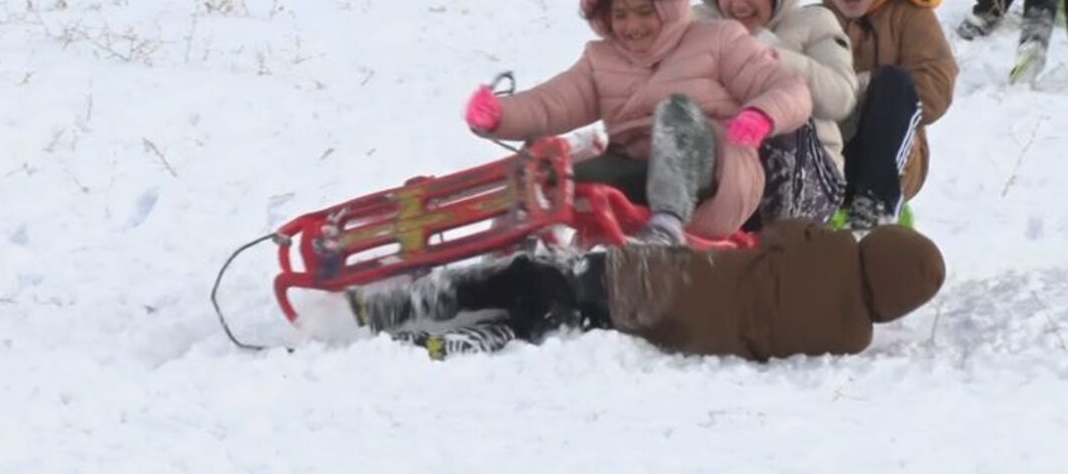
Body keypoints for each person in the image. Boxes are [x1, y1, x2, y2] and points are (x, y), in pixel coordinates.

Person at [463, 0, 812, 244]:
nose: (632, 26)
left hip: (707, 169)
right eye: (621, 14)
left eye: (644, 12)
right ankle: (511, 259)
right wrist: (497, 115)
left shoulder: (718, 39)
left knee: (676, 109)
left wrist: (761, 115)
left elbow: (789, 88)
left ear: (667, 6)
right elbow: (550, 104)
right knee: (545, 171)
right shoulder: (600, 59)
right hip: (635, 169)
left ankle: (666, 225)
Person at [346, 219, 947, 361]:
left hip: (644, 276)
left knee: (528, 275)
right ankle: (481, 340)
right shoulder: (850, 336)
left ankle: (402, 304)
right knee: (553, 319)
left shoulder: (832, 244)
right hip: (651, 323)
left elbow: (773, 236)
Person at [690, 0, 857, 227]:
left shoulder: (814, 21)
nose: (738, 4)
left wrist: (772, 55)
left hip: (808, 173)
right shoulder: (697, 26)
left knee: (779, 119)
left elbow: (841, 97)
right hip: (720, 170)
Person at [811, 0, 958, 232]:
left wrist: (863, 95)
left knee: (893, 81)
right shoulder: (812, 21)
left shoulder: (910, 15)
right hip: (828, 149)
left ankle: (876, 205)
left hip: (892, 151)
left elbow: (937, 85)